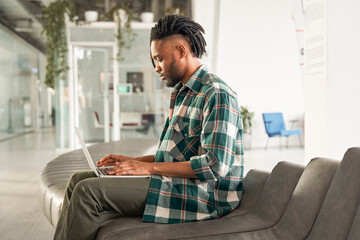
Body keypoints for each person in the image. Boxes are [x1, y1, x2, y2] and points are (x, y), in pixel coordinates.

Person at [54, 14, 244, 240]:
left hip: (206, 195)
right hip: (178, 183)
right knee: (78, 180)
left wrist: (146, 168)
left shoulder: (217, 93)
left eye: (159, 59)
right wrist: (131, 163)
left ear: (181, 51)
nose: (156, 67)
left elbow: (214, 166)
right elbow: (172, 157)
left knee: (87, 192)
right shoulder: (181, 94)